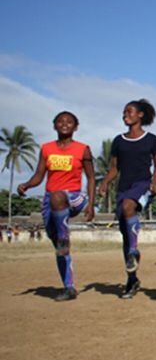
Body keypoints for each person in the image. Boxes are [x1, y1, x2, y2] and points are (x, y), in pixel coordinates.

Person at [17, 111, 95, 301]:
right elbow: (39, 175)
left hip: (74, 197)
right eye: (61, 121)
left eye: (69, 122)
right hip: (50, 200)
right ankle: (69, 287)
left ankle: (63, 236)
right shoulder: (46, 149)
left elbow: (91, 177)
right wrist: (27, 184)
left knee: (59, 197)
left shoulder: (82, 149)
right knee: (59, 246)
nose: (65, 124)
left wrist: (91, 204)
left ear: (76, 127)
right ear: (55, 126)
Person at [98, 99, 156, 299]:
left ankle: (134, 251)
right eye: (124, 112)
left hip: (142, 185)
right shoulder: (119, 141)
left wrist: (154, 182)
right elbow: (114, 168)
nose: (125, 114)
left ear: (140, 115)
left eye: (129, 111)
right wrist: (105, 182)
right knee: (126, 235)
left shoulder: (152, 139)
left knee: (129, 207)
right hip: (123, 188)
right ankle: (132, 279)